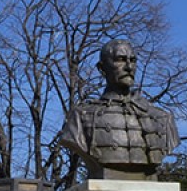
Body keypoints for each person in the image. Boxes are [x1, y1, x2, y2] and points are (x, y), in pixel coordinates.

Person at [58, 39, 179, 180]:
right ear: (102, 68)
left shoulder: (162, 119)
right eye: (120, 60)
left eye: (132, 60)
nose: (129, 66)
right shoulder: (81, 117)